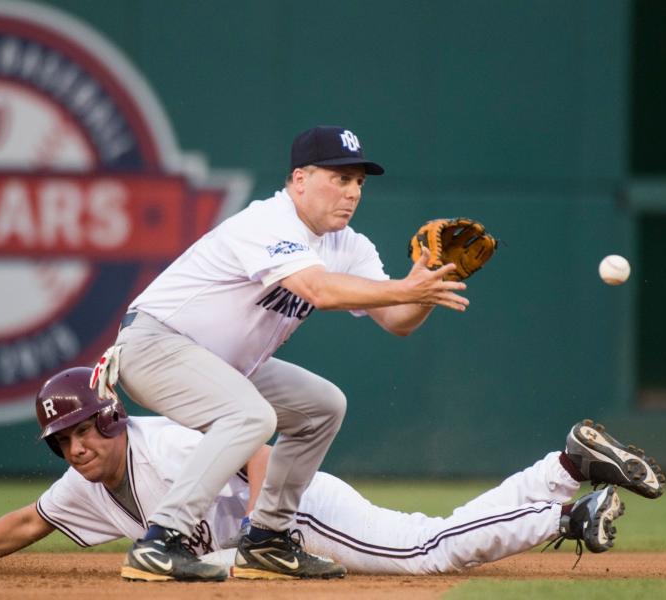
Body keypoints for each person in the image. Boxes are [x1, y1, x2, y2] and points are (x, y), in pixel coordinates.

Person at [0, 367, 666, 579]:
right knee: (428, 542)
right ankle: (566, 499)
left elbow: (258, 449)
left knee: (426, 552)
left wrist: (271, 530)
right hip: (276, 520)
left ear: (112, 419)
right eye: (63, 439)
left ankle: (565, 474)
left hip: (292, 512)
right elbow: (28, 522)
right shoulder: (81, 485)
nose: (77, 446)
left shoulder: (161, 447)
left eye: (85, 428)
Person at [109, 125, 471, 581]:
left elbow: (396, 319)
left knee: (322, 406)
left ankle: (267, 540)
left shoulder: (349, 245)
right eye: (340, 178)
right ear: (299, 179)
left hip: (221, 362)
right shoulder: (268, 222)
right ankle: (162, 540)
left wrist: (430, 284)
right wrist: (403, 287)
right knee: (251, 417)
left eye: (359, 181)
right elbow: (316, 289)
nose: (353, 191)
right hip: (154, 344)